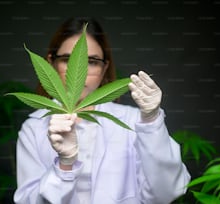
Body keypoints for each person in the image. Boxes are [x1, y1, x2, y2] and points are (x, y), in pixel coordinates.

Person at [13, 17, 190, 204]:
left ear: (105, 67)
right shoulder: (34, 127)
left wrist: (152, 122)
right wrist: (64, 165)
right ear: (51, 63)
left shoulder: (132, 121)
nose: (79, 72)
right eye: (67, 59)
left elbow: (167, 192)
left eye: (92, 61)